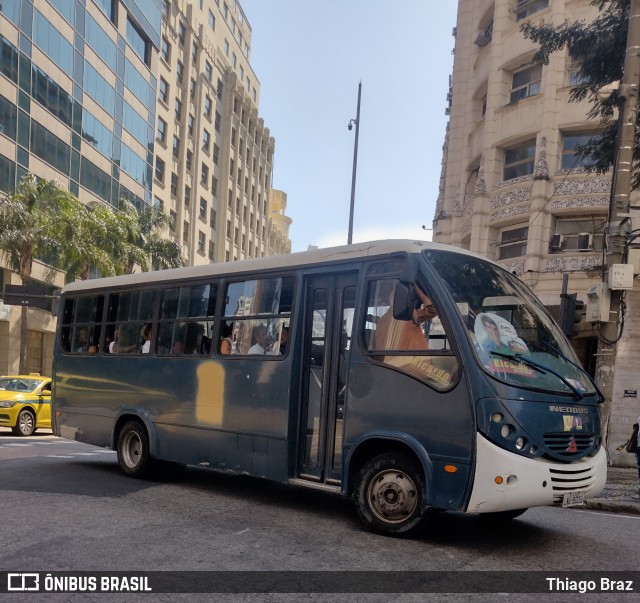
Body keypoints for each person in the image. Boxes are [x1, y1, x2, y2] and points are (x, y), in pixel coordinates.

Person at [373, 284, 437, 351]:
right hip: (414, 360)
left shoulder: (381, 321)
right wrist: (417, 289)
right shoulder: (408, 315)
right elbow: (432, 309)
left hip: (391, 360)